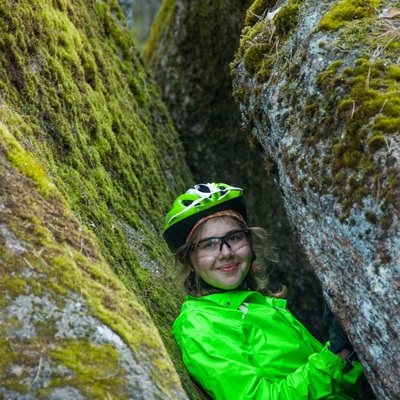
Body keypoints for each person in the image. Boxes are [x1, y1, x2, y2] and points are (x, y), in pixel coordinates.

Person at [163, 182, 363, 399]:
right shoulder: (201, 323)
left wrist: (351, 349)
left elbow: (339, 389)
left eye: (233, 237)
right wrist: (335, 355)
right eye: (208, 245)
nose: (226, 252)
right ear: (189, 262)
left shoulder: (260, 304)